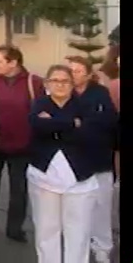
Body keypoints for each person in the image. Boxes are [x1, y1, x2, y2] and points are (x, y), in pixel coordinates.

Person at [27, 64, 100, 263]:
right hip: (44, 176)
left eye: (65, 81)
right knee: (46, 229)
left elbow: (89, 133)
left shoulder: (85, 105)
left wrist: (53, 124)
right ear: (47, 83)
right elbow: (37, 126)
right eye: (55, 80)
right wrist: (70, 124)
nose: (60, 85)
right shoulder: (39, 104)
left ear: (72, 84)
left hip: (79, 176)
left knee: (78, 231)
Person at [0, 45, 44, 243]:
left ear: (13, 62)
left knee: (19, 189)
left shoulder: (34, 82)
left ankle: (15, 228)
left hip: (22, 146)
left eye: (0, 61)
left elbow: (42, 110)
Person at [68, 55, 119, 263]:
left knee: (101, 206)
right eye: (70, 70)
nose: (73, 75)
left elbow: (108, 121)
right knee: (75, 209)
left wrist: (80, 124)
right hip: (72, 160)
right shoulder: (64, 94)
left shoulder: (100, 94)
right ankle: (78, 245)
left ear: (89, 75)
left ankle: (102, 247)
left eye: (78, 71)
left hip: (100, 159)